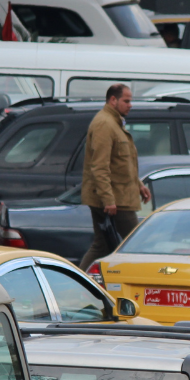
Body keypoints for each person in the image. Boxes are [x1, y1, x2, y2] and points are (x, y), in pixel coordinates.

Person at [80, 84, 152, 269]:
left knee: (102, 245)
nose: (130, 105)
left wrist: (138, 185)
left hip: (120, 196)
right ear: (113, 100)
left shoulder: (114, 123)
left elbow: (121, 163)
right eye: (126, 101)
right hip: (116, 200)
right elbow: (99, 166)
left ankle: (84, 282)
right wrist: (108, 200)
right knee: (135, 244)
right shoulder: (104, 124)